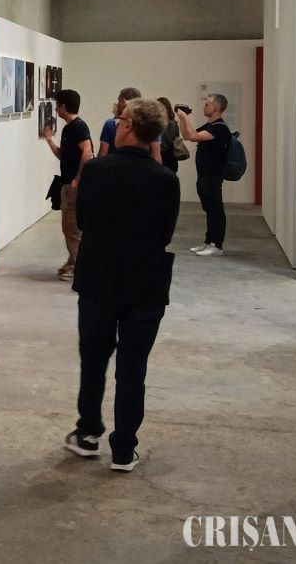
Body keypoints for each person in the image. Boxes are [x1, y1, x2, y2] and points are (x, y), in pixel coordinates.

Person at [64, 98, 181, 473]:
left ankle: (88, 433)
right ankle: (124, 449)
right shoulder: (167, 180)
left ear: (128, 126)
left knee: (94, 360)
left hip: (98, 278)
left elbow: (82, 219)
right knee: (133, 368)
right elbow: (165, 233)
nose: (117, 123)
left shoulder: (97, 170)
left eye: (121, 119)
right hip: (146, 283)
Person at [43, 89, 93, 281]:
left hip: (74, 187)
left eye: (57, 105)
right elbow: (63, 156)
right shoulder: (69, 128)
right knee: (69, 227)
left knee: (72, 227)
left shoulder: (77, 127)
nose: (56, 109)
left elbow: (87, 151)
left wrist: (77, 180)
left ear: (63, 106)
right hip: (68, 184)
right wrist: (49, 140)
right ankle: (73, 262)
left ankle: (80, 268)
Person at [176, 93, 231, 257]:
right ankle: (209, 241)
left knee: (215, 209)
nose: (204, 107)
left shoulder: (220, 128)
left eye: (207, 104)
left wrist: (185, 118)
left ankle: (217, 245)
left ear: (217, 108)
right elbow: (187, 136)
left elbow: (193, 136)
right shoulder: (210, 125)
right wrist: (182, 120)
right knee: (209, 208)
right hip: (204, 175)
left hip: (213, 176)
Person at [98, 87, 161, 163]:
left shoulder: (110, 124)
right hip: (144, 166)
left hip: (114, 166)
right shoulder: (149, 124)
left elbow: (102, 154)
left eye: (119, 101)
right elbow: (156, 157)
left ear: (123, 101)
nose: (117, 104)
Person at [156, 97, 181, 172]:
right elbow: (176, 138)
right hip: (171, 157)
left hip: (159, 155)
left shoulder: (156, 123)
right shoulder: (174, 122)